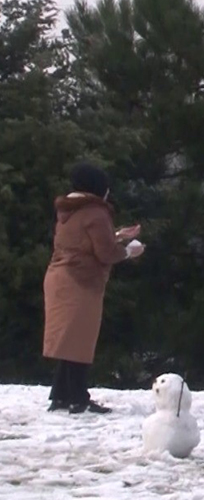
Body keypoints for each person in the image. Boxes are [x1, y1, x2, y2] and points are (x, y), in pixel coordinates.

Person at [42, 162, 145, 414]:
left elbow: (84, 242)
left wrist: (118, 234)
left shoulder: (68, 210)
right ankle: (78, 397)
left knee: (69, 339)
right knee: (81, 340)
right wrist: (130, 251)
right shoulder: (96, 212)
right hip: (82, 281)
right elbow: (105, 253)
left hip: (59, 277)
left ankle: (61, 395)